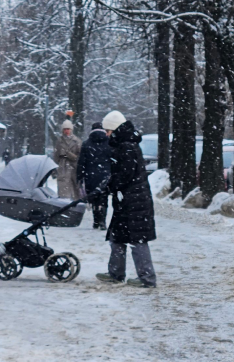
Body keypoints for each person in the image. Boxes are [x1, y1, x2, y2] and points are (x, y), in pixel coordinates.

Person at [95, 111, 157, 288]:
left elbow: (125, 175)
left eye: (108, 131)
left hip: (134, 201)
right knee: (117, 236)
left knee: (138, 239)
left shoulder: (127, 147)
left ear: (115, 129)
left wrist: (109, 187)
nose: (106, 134)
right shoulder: (125, 144)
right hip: (127, 200)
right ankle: (116, 273)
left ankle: (147, 278)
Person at [77, 122, 112, 230]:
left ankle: (96, 220)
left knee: (93, 198)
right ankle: (103, 221)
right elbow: (112, 159)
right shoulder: (109, 143)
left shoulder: (86, 143)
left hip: (90, 175)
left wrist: (79, 176)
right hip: (105, 175)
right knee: (103, 198)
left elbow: (81, 162)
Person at [54, 120, 82, 199]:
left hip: (74, 167)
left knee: (75, 188)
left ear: (71, 130)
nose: (67, 131)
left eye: (68, 129)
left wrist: (72, 156)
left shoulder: (77, 141)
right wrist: (54, 168)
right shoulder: (59, 141)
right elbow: (56, 155)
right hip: (63, 167)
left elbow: (81, 156)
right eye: (65, 129)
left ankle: (76, 204)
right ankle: (64, 204)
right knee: (63, 187)